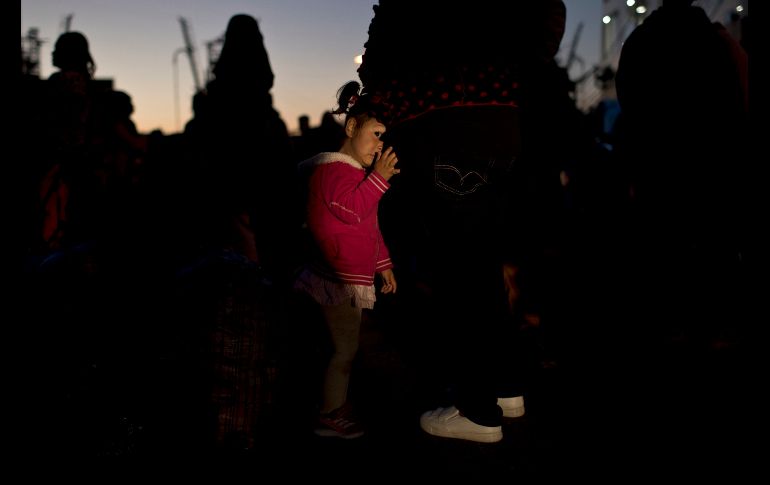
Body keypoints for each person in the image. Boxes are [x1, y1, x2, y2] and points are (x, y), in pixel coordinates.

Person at [357, 0, 571, 443]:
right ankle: (506, 387)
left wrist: (376, 90)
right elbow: (548, 9)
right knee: (483, 257)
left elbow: (390, 26)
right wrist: (523, 71)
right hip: (501, 113)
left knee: (458, 267)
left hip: (439, 116)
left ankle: (477, 409)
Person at [293, 80, 400, 439]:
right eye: (375, 134)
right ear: (352, 127)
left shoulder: (357, 175)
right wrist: (381, 181)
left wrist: (383, 264)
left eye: (386, 138)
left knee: (339, 348)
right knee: (343, 349)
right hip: (333, 280)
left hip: (346, 277)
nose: (380, 145)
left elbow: (369, 226)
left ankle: (330, 405)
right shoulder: (333, 171)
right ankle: (330, 413)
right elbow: (350, 210)